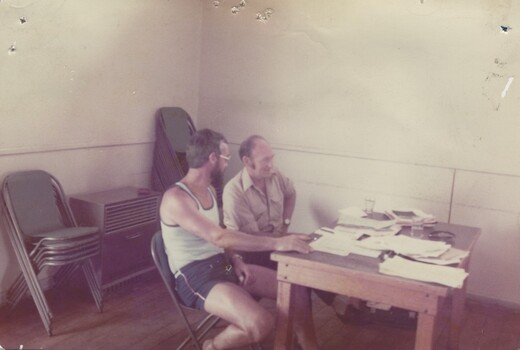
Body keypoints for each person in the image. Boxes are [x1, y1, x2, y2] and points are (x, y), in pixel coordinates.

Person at [160, 129, 321, 350]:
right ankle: (211, 346)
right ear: (213, 159)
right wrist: (277, 241)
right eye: (226, 158)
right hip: (195, 276)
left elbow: (221, 237)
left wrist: (235, 260)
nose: (227, 164)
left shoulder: (207, 189)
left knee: (297, 293)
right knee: (261, 323)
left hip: (223, 265)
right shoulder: (176, 198)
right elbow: (219, 236)